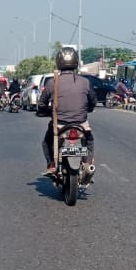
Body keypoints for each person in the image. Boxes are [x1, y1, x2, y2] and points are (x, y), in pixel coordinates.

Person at [36, 46, 96, 177]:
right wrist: (88, 109)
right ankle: (88, 164)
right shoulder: (85, 82)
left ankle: (52, 164)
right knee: (90, 140)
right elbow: (93, 102)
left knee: (46, 142)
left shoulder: (52, 83)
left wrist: (44, 111)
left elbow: (41, 104)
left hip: (60, 124)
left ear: (58, 62)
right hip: (81, 123)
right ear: (76, 62)